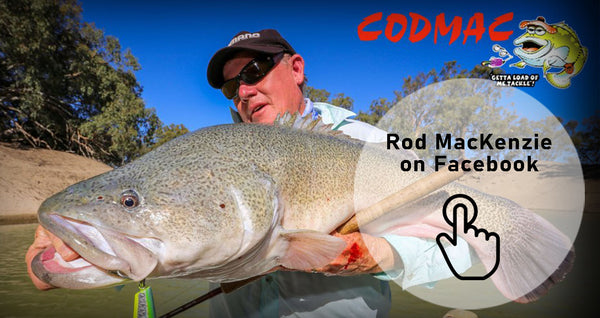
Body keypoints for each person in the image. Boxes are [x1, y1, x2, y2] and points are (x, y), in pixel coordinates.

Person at [26, 29, 472, 317]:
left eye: (255, 70)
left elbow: (461, 249)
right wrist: (59, 252)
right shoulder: (209, 153)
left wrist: (379, 255)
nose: (243, 90)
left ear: (296, 69)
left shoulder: (369, 145)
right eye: (229, 85)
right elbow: (44, 274)